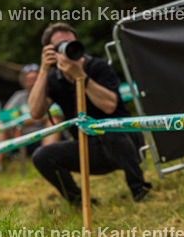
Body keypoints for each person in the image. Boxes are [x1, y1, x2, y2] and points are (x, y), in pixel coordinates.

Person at [28, 22, 152, 205]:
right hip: (89, 147)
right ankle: (79, 201)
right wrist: (44, 70)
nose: (67, 49)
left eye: (70, 43)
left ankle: (140, 191)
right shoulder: (54, 79)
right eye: (60, 46)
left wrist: (81, 76)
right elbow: (35, 112)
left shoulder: (98, 67)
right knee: (41, 156)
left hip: (126, 141)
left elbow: (109, 106)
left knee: (107, 129)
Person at [0, 63, 55, 173]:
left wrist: (33, 120)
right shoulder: (19, 96)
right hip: (20, 135)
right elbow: (5, 114)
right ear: (24, 82)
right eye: (29, 79)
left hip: (43, 133)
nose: (32, 83)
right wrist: (19, 120)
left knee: (53, 123)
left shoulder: (49, 93)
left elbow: (57, 113)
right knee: (0, 126)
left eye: (35, 79)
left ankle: (48, 161)